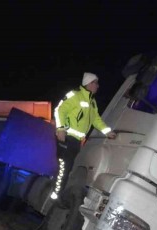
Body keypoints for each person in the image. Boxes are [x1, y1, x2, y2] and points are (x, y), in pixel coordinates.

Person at [50, 72, 117, 200]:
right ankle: (55, 194)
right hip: (67, 137)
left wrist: (108, 132)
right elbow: (60, 110)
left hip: (77, 142)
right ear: (89, 83)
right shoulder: (75, 95)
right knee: (65, 166)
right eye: (96, 83)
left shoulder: (92, 103)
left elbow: (96, 120)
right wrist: (60, 129)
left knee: (67, 167)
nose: (98, 86)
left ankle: (57, 192)